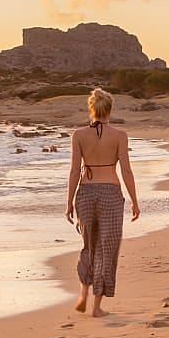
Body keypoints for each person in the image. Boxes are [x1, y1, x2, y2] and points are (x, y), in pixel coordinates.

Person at [64, 87, 140, 317]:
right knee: (106, 248)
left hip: (85, 193)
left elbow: (74, 171)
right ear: (110, 109)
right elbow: (126, 170)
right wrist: (135, 201)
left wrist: (69, 203)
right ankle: (96, 308)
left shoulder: (78, 135)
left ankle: (83, 294)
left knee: (89, 244)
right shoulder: (119, 135)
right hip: (110, 194)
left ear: (91, 108)